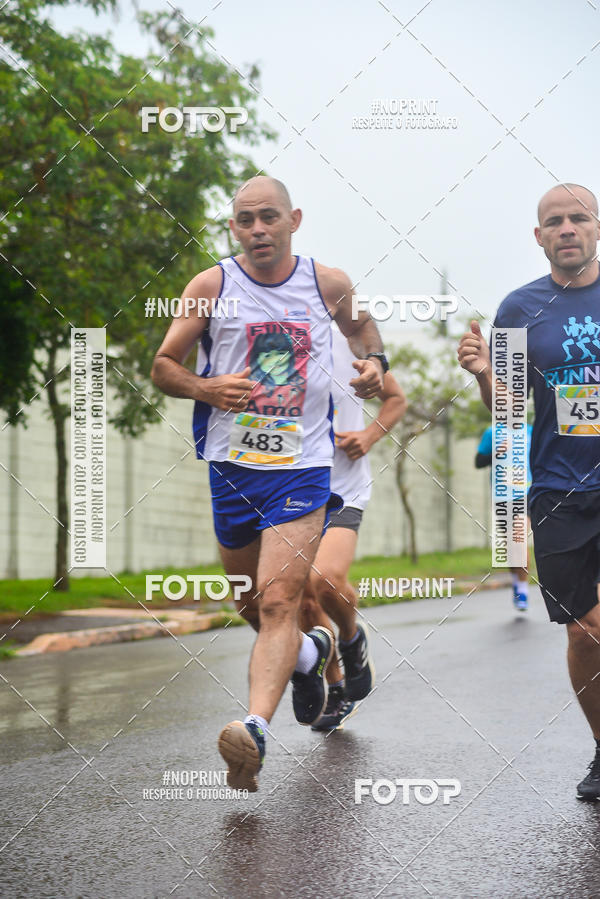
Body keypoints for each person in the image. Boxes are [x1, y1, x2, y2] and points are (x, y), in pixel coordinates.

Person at [151, 175, 389, 791]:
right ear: (234, 227)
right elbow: (163, 365)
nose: (258, 229)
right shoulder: (212, 286)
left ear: (294, 220)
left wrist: (373, 366)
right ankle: (311, 656)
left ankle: (253, 728)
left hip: (302, 470)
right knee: (247, 602)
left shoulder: (326, 283)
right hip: (232, 469)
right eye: (246, 220)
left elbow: (366, 333)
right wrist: (205, 387)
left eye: (269, 218)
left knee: (281, 598)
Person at [458, 182, 600, 799]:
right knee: (582, 630)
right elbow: (508, 413)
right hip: (557, 488)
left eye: (578, 218)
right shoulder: (518, 310)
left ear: (595, 227)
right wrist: (487, 373)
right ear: (538, 236)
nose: (566, 228)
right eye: (554, 221)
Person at [298, 324, 406, 731]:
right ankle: (337, 686)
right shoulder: (266, 347)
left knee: (325, 580)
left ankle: (350, 636)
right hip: (287, 490)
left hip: (342, 488)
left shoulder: (349, 348)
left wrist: (368, 434)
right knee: (303, 600)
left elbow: (395, 398)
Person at [475, 422, 533, 611]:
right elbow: (478, 462)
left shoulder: (532, 431)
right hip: (502, 495)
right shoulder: (492, 432)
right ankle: (517, 582)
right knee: (510, 546)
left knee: (519, 538)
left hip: (525, 493)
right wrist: (497, 452)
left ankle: (523, 588)